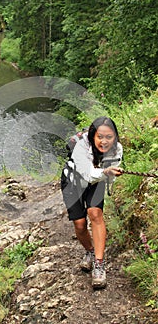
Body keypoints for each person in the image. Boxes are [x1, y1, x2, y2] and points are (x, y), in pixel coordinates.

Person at [61, 116, 123, 289]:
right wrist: (107, 172)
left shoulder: (117, 149)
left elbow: (109, 172)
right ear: (92, 136)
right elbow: (88, 174)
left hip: (97, 181)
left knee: (95, 214)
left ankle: (99, 263)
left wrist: (111, 177)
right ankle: (89, 251)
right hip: (73, 182)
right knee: (80, 225)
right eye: (100, 137)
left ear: (115, 136)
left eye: (109, 137)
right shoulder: (82, 146)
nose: (104, 141)